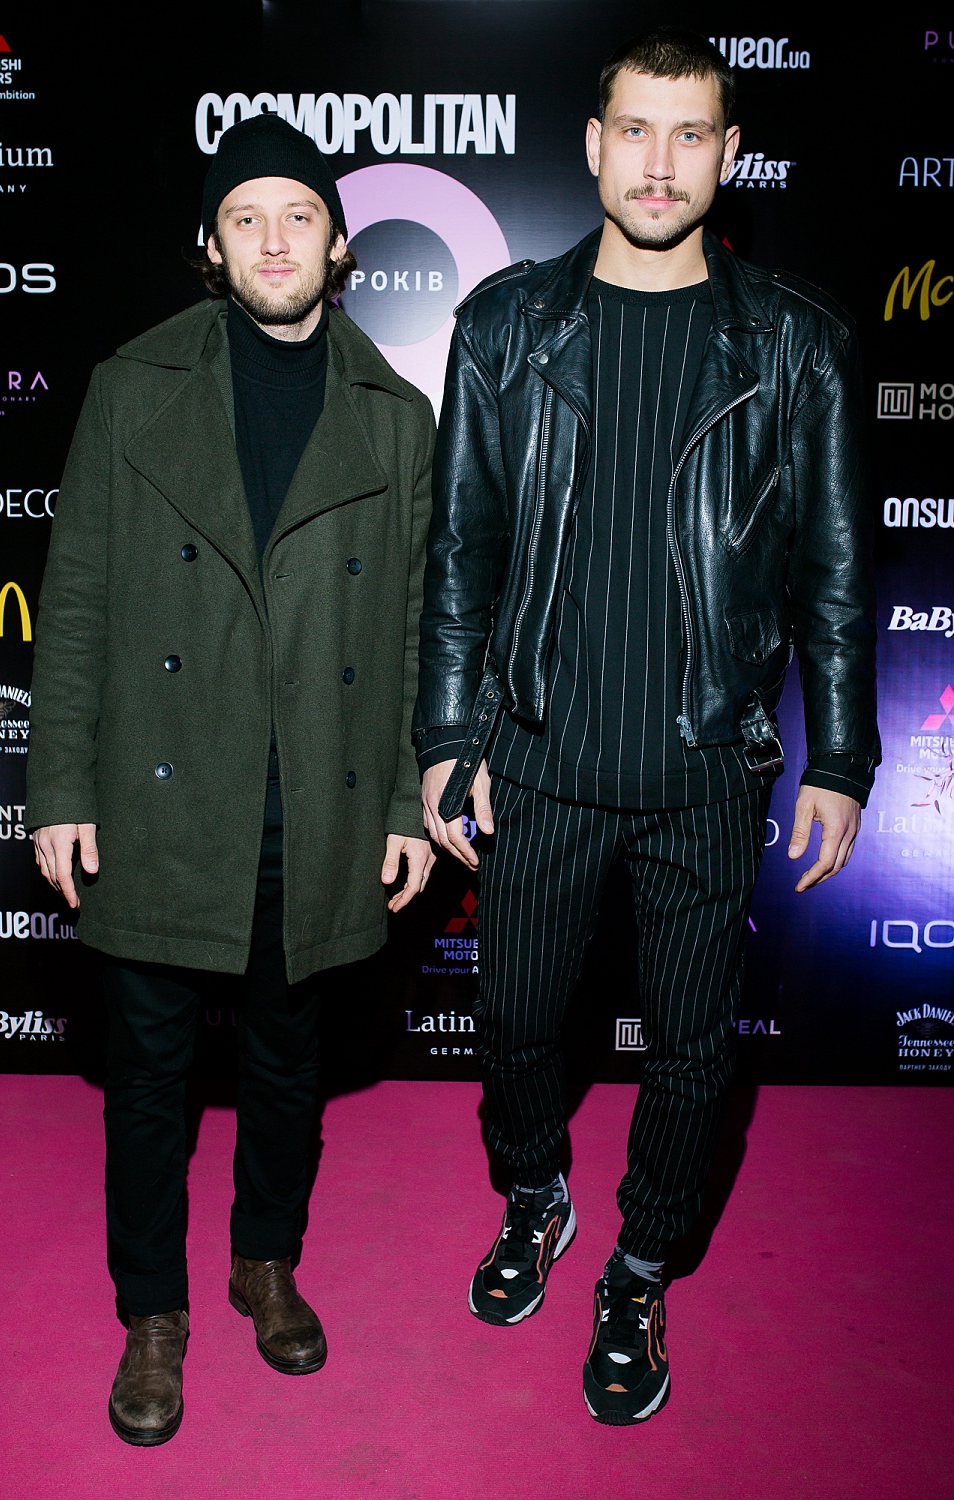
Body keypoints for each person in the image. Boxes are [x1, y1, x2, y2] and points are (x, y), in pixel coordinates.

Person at [416, 27, 878, 1426]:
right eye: (636, 130)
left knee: (691, 1051)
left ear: (728, 156)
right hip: (537, 754)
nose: (660, 163)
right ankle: (535, 1194)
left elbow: (835, 569)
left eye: (690, 135)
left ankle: (639, 1266)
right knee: (511, 1022)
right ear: (594, 144)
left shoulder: (797, 343)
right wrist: (446, 736)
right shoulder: (506, 326)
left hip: (705, 766)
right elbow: (459, 552)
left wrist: (840, 756)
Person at [26, 113, 435, 1446]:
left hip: (314, 796)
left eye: (298, 215)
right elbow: (76, 596)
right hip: (162, 791)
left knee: (287, 1055)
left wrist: (399, 802)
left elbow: (413, 625)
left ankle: (265, 1259)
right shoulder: (131, 386)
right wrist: (60, 786)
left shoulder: (397, 415)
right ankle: (153, 1310)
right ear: (210, 246)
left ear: (340, 245)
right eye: (245, 217)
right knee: (147, 1071)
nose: (273, 239)